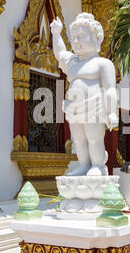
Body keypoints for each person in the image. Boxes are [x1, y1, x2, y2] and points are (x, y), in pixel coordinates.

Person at [50, 13, 118, 176]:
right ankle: (84, 164)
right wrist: (57, 34)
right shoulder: (73, 62)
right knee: (79, 139)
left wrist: (111, 112)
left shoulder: (103, 64)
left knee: (93, 138)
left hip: (94, 105)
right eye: (73, 38)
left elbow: (110, 89)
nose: (76, 41)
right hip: (75, 107)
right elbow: (60, 53)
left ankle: (97, 165)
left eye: (81, 36)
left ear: (96, 38)